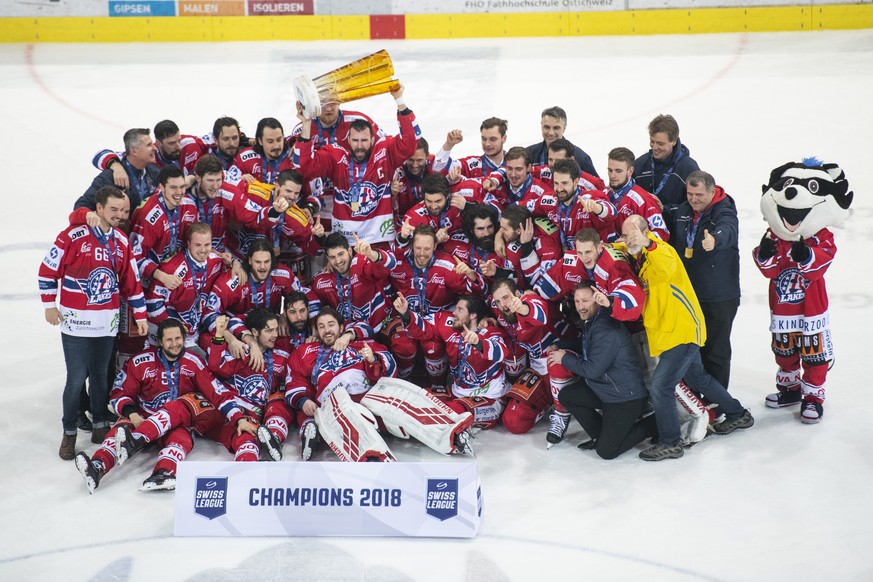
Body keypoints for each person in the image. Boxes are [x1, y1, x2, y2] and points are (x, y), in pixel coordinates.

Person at [621, 215, 753, 461]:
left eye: (634, 234)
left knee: (661, 386)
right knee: (698, 378)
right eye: (626, 234)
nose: (630, 239)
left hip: (681, 332)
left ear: (647, 232)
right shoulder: (638, 254)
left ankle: (671, 442)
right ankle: (738, 414)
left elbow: (665, 265)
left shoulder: (661, 251)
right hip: (671, 333)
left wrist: (648, 242)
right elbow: (622, 246)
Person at [39, 186, 148, 460]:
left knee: (100, 377)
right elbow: (46, 271)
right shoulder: (73, 236)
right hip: (75, 325)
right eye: (114, 209)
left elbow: (131, 283)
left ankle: (100, 424)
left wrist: (141, 314)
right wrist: (49, 305)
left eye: (123, 211)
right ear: (98, 208)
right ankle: (69, 433)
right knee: (75, 379)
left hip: (106, 325)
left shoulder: (122, 241)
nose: (119, 215)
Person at [73, 319, 224, 493]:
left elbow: (213, 392)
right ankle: (97, 466)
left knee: (180, 440)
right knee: (119, 432)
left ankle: (163, 473)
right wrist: (132, 414)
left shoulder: (194, 362)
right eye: (169, 340)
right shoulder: (141, 362)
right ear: (160, 341)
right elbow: (119, 393)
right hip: (143, 417)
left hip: (177, 424)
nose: (175, 344)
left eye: (178, 339)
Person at [295, 84, 417, 245]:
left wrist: (399, 100)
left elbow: (409, 143)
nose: (360, 146)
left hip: (379, 239)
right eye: (355, 141)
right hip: (345, 242)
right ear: (348, 140)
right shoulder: (337, 158)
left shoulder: (383, 155)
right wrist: (306, 123)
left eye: (364, 140)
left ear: (373, 140)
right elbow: (303, 166)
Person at [548, 282, 656, 459]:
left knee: (607, 451)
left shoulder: (606, 328)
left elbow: (592, 370)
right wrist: (561, 345)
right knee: (568, 396)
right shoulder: (594, 319)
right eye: (577, 301)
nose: (580, 306)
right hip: (605, 389)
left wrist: (564, 358)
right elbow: (588, 346)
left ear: (597, 300)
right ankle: (601, 435)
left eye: (585, 301)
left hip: (625, 398)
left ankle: (654, 424)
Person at [667, 170, 740, 389]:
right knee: (693, 351)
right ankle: (698, 399)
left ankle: (718, 403)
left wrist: (715, 240)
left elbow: (728, 229)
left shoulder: (724, 210)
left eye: (698, 195)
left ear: (711, 191)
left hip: (719, 297)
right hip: (690, 295)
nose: (693, 199)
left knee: (715, 352)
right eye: (690, 194)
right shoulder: (683, 210)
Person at [394, 293, 510, 429]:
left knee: (450, 412)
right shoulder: (451, 325)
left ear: (473, 315)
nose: (454, 312)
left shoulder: (491, 331)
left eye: (460, 310)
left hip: (489, 398)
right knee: (415, 399)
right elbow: (424, 328)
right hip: (457, 393)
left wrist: (478, 343)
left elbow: (501, 352)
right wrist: (406, 313)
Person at [204, 310, 296, 461]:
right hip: (237, 413)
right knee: (247, 442)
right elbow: (216, 365)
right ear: (254, 332)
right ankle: (245, 477)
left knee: (281, 398)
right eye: (268, 331)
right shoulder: (241, 351)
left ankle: (274, 439)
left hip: (261, 415)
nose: (275, 335)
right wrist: (222, 335)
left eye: (275, 329)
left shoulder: (282, 355)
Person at [145, 222, 225, 349]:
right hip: (168, 335)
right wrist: (173, 327)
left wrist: (235, 263)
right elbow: (152, 303)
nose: (203, 250)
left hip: (193, 332)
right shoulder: (172, 268)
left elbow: (229, 266)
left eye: (207, 245)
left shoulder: (215, 261)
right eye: (198, 245)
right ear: (188, 244)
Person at [311, 232, 395, 332]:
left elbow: (391, 264)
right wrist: (314, 327)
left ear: (350, 250)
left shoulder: (361, 263)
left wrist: (371, 254)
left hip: (382, 327)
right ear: (328, 258)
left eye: (341, 254)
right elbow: (310, 300)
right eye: (332, 257)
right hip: (350, 335)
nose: (338, 261)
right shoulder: (321, 281)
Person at [76, 128, 160, 211]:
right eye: (149, 145)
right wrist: (89, 215)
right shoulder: (109, 178)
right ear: (134, 151)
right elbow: (81, 206)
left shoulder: (156, 173)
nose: (155, 148)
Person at [632, 114, 700, 214]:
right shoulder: (640, 164)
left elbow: (696, 206)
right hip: (642, 226)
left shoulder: (689, 168)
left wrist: (664, 209)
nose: (654, 147)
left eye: (660, 143)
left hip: (674, 228)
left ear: (673, 141)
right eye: (652, 141)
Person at [604, 147, 669, 243]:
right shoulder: (603, 194)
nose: (612, 175)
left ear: (630, 171)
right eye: (610, 170)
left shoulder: (644, 200)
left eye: (618, 171)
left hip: (632, 256)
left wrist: (635, 242)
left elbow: (662, 234)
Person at [526, 106, 598, 177]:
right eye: (547, 127)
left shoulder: (581, 158)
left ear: (564, 128)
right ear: (541, 126)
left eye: (556, 128)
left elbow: (596, 186)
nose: (551, 133)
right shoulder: (528, 154)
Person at [433, 118, 507, 177]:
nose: (487, 144)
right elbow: (437, 169)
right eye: (484, 139)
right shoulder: (472, 164)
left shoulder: (515, 163)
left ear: (504, 138)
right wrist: (449, 144)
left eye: (493, 139)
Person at [179, 116, 244, 178]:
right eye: (226, 139)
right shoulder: (205, 163)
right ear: (216, 140)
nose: (232, 143)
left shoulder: (248, 153)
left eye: (235, 138)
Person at [235, 117, 294, 185]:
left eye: (279, 140)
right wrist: (239, 180)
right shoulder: (244, 157)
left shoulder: (293, 155)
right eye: (270, 141)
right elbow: (228, 181)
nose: (276, 146)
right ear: (260, 141)